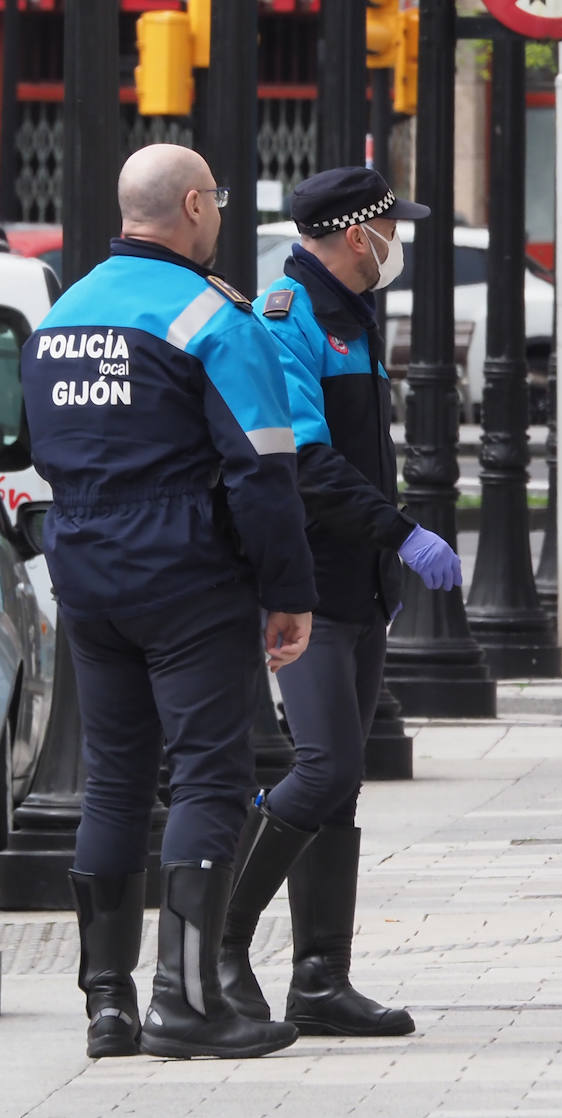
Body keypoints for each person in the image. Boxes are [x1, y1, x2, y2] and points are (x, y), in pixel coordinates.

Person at [21, 144, 316, 1060]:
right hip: (188, 576)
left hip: (86, 575)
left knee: (113, 783)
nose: (220, 213)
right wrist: (289, 592)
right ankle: (185, 1004)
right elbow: (264, 470)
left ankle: (106, 1006)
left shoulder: (63, 316)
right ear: (193, 206)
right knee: (209, 778)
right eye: (217, 200)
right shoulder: (212, 317)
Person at [219, 167, 460, 1038]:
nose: (400, 241)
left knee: (342, 786)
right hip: (314, 583)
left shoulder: (349, 315)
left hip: (359, 587)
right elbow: (307, 465)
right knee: (322, 768)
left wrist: (388, 563)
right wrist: (404, 535)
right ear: (359, 236)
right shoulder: (289, 318)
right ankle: (217, 942)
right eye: (394, 225)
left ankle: (321, 978)